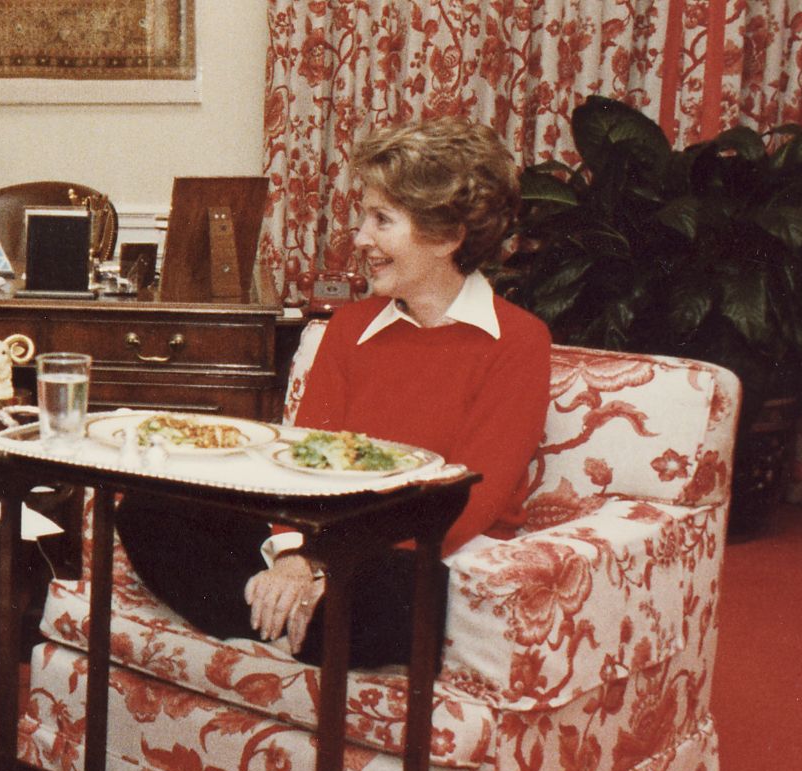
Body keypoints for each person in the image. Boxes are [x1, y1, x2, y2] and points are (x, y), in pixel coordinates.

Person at [116, 117, 551, 667]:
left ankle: (269, 619)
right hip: (321, 539)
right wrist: (298, 557)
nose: (361, 237)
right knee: (149, 510)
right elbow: (301, 464)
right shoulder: (349, 327)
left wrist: (325, 565)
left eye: (381, 220)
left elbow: (467, 503)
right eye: (364, 217)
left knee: (392, 588)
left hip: (420, 551)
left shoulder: (518, 341)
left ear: (446, 236)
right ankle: (287, 620)